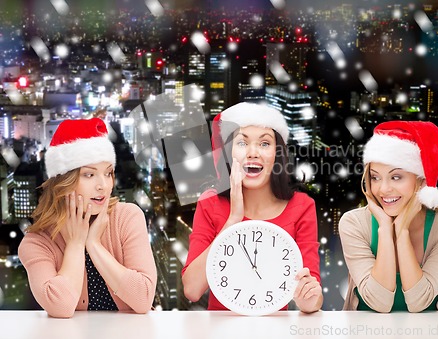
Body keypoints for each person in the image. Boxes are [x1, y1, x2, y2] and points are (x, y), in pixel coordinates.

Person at [182, 102, 323, 313]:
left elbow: (314, 297)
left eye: (265, 144)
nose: (253, 153)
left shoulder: (302, 206)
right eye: (242, 143)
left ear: (277, 154)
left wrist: (309, 299)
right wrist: (233, 221)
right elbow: (192, 290)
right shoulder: (210, 203)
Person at [18, 118, 157, 318]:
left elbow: (143, 299)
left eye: (108, 173)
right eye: (89, 175)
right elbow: (61, 308)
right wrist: (76, 243)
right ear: (64, 181)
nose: (103, 185)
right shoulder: (37, 243)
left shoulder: (127, 217)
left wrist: (93, 244)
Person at [339, 121, 438, 312]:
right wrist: (384, 227)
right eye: (375, 177)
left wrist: (402, 230)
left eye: (396, 177)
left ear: (421, 181)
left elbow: (418, 302)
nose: (383, 189)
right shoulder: (353, 223)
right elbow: (379, 303)